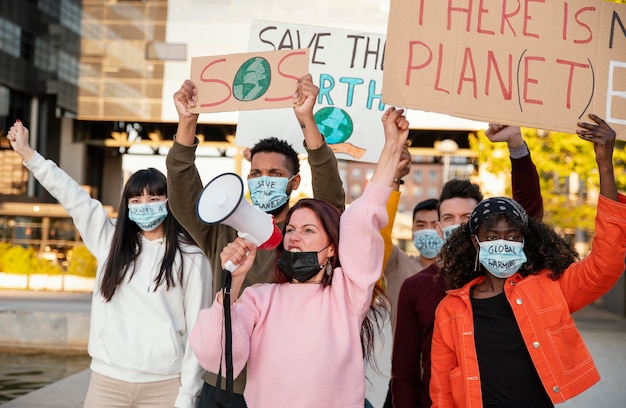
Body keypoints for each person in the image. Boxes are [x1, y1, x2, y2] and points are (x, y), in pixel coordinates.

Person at [189, 107, 409, 408]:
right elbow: (217, 356)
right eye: (290, 229)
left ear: (332, 247)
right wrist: (233, 286)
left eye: (308, 230)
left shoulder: (347, 294)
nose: (294, 237)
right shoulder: (257, 298)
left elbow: (362, 216)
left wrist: (392, 147)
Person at [166, 73, 345, 406]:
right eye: (256, 174)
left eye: (275, 174)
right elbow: (182, 194)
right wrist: (187, 123)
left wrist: (307, 120)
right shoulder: (223, 229)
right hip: (221, 382)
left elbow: (332, 199)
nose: (264, 181)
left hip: (277, 385)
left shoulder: (304, 233)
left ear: (294, 182)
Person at [7, 120, 211, 408]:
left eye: (154, 198)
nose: (145, 205)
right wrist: (29, 154)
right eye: (136, 200)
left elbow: (197, 334)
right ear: (126, 204)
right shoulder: (109, 240)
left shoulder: (191, 258)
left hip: (164, 386)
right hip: (107, 383)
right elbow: (73, 196)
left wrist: (187, 395)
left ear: (169, 203)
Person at [430, 114, 625, 407]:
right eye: (493, 236)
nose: (503, 243)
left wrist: (605, 166)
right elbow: (442, 391)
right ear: (475, 241)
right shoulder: (450, 310)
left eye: (512, 236)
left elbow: (605, 264)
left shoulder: (549, 289)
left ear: (524, 241)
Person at [391, 124, 544, 408]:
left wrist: (516, 147)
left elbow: (529, 215)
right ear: (439, 227)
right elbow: (405, 371)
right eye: (448, 217)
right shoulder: (417, 287)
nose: (457, 225)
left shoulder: (503, 275)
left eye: (466, 216)